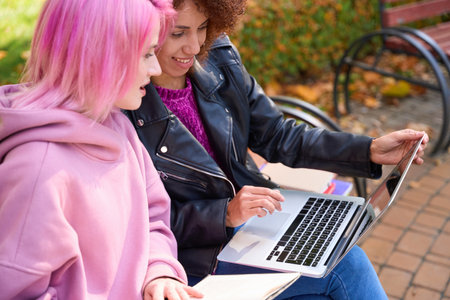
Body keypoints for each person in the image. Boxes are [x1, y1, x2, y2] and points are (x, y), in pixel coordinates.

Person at [124, 0, 428, 298]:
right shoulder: (125, 105)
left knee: (337, 269)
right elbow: (142, 221)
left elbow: (277, 134)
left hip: (253, 231)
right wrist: (223, 214)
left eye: (203, 28)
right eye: (178, 33)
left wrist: (369, 150)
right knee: (346, 267)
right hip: (193, 259)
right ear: (146, 31)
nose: (194, 46)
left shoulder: (216, 54)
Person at [0, 0, 203, 299]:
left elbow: (153, 219)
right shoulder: (38, 170)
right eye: (147, 54)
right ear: (100, 58)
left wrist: (159, 274)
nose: (156, 67)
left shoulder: (117, 126)